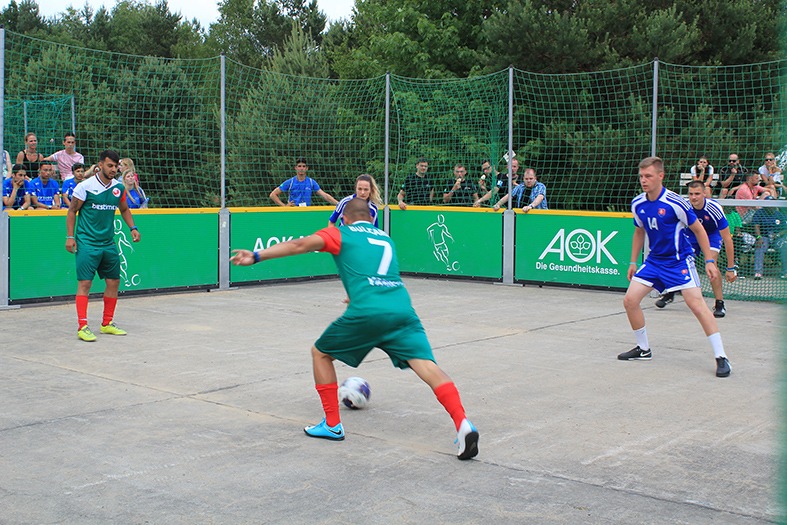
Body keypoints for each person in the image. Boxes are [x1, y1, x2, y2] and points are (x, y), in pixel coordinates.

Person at [230, 198, 479, 460]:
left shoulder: (340, 233)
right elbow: (377, 274)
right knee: (427, 366)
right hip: (402, 311)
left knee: (321, 354)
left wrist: (256, 256)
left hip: (368, 312)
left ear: (344, 218)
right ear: (371, 219)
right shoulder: (385, 239)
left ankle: (332, 425)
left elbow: (299, 244)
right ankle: (463, 423)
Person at [618, 156, 731, 378]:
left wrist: (709, 260)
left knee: (697, 306)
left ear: (660, 176)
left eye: (648, 176)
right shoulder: (638, 203)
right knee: (630, 300)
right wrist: (633, 261)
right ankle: (643, 350)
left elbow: (699, 230)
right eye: (641, 176)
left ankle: (721, 356)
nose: (644, 180)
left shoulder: (675, 203)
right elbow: (639, 231)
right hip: (653, 262)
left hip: (679, 262)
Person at [65, 150, 141, 342]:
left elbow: (124, 209)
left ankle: (106, 324)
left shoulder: (118, 188)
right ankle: (82, 326)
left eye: (116, 166)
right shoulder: (85, 187)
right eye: (110, 166)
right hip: (87, 242)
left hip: (108, 243)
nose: (114, 169)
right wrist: (70, 236)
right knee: (85, 283)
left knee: (114, 281)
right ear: (100, 165)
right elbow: (72, 211)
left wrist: (132, 227)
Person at [655, 181, 737, 317]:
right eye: (691, 194)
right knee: (678, 260)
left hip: (712, 235)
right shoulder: (685, 206)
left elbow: (728, 239)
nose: (694, 197)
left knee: (711, 262)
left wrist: (730, 268)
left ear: (704, 193)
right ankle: (671, 292)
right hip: (692, 234)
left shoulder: (714, 208)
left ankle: (719, 303)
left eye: (697, 194)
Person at [270, 158, 338, 207]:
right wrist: (284, 206)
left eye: (303, 166)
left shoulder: (311, 182)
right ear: (296, 168)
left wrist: (339, 204)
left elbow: (324, 195)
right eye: (299, 166)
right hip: (293, 212)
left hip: (306, 212)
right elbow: (273, 195)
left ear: (306, 168)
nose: (301, 168)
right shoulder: (290, 182)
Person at [751, 196, 787, 279]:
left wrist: (777, 235)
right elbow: (756, 226)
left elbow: (785, 229)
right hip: (764, 236)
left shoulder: (779, 214)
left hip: (777, 237)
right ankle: (758, 272)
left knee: (784, 245)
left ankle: (785, 272)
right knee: (760, 246)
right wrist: (759, 237)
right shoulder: (759, 213)